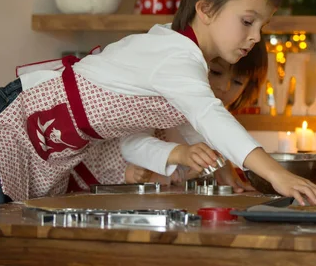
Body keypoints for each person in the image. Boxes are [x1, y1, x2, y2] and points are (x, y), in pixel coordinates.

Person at [0, 0, 316, 208]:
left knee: (0, 225)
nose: (255, 37)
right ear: (205, 9)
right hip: (19, 115)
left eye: (262, 27)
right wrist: (276, 173)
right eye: (247, 21)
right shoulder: (175, 57)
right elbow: (209, 117)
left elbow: (195, 126)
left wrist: (228, 175)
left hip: (56, 141)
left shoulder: (186, 61)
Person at [71, 40, 268, 193]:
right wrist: (182, 154)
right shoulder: (169, 89)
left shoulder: (206, 114)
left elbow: (199, 145)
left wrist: (214, 168)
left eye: (236, 82)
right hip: (99, 182)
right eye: (216, 73)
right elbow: (132, 145)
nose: (223, 87)